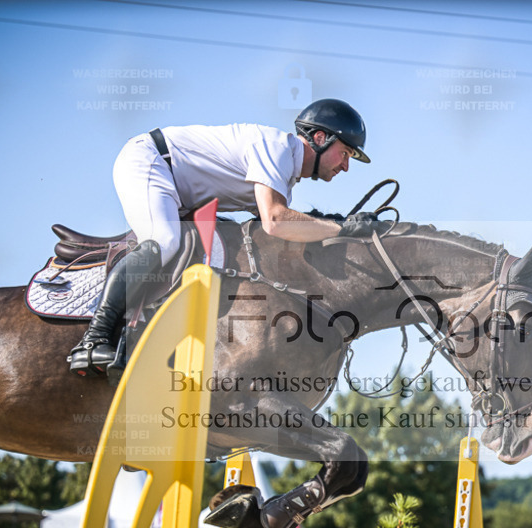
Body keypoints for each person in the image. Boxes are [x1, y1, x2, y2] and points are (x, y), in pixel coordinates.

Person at [68, 98, 377, 377]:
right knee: (164, 240)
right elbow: (275, 221)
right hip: (150, 162)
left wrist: (339, 224)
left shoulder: (285, 173)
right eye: (345, 153)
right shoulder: (278, 147)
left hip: (176, 186)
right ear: (321, 138)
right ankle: (94, 338)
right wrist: (341, 229)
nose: (346, 166)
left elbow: (277, 230)